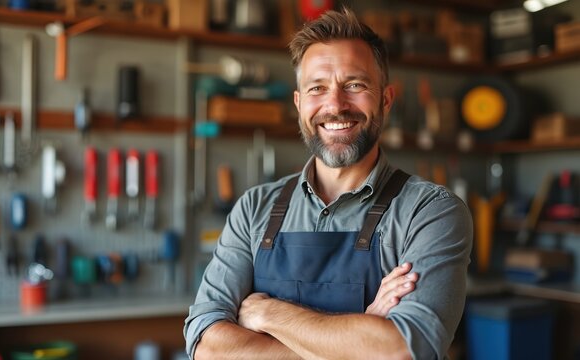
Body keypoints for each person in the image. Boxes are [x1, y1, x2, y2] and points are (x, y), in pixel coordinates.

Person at [184, 7, 473, 360]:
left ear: (385, 100)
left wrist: (267, 314)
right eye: (317, 88)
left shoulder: (430, 212)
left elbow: (403, 351)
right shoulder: (253, 209)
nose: (335, 105)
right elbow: (207, 346)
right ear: (299, 102)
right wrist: (359, 339)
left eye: (354, 85)